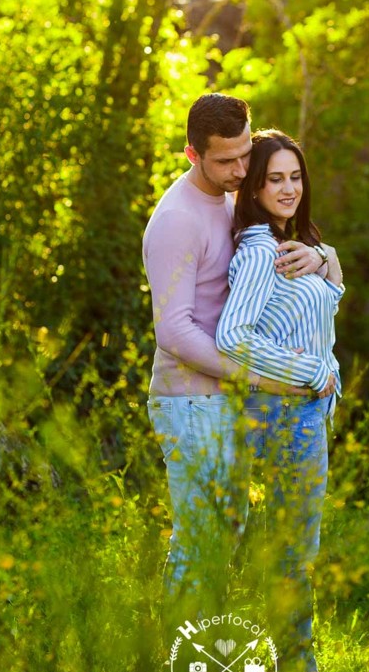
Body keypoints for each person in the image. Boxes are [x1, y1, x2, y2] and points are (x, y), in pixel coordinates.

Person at [142, 95, 334, 637]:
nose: (239, 170)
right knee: (203, 538)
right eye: (225, 161)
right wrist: (263, 375)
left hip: (229, 395)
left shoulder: (232, 197)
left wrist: (323, 258)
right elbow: (174, 331)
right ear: (191, 155)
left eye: (244, 154)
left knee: (227, 531)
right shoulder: (177, 220)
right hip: (189, 399)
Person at [215, 129, 348, 672]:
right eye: (275, 178)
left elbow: (320, 309)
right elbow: (234, 339)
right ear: (254, 186)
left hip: (302, 415)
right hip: (283, 416)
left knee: (293, 555)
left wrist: (328, 261)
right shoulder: (259, 251)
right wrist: (313, 370)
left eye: (295, 176)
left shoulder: (294, 245)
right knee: (292, 557)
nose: (289, 187)